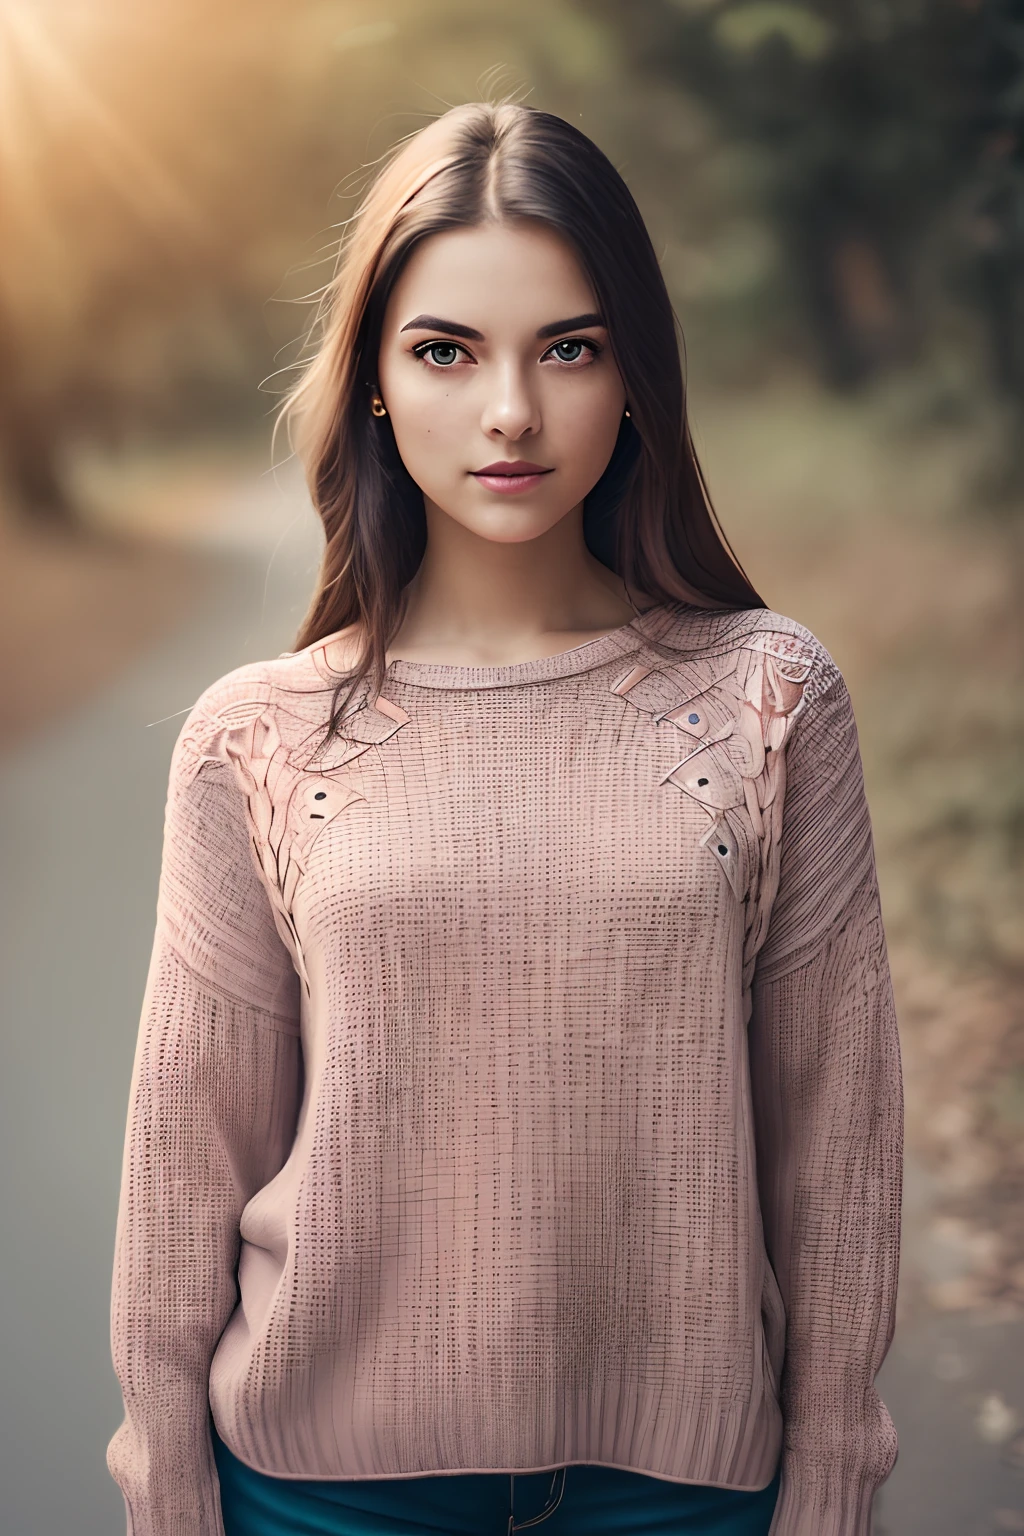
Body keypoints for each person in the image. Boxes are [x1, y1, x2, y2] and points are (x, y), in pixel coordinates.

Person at [106, 100, 904, 1536]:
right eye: (446, 351)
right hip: (317, 1495)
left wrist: (835, 1470)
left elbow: (834, 1138)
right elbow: (187, 1155)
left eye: (571, 348)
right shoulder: (259, 738)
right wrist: (165, 1481)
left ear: (637, 378)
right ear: (372, 385)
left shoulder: (770, 697)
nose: (512, 412)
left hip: (686, 1497)